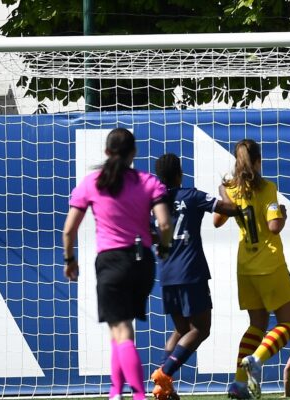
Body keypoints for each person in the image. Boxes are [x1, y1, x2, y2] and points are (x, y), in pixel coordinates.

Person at [62, 128, 173, 400]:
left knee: (120, 328)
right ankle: (115, 391)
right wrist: (165, 246)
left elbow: (69, 230)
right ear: (133, 153)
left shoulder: (92, 182)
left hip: (111, 262)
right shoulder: (148, 182)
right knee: (122, 327)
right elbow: (165, 223)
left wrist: (69, 259)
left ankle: (137, 395)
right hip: (142, 261)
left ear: (106, 152)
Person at [149, 153, 242, 400]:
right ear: (180, 173)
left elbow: (152, 235)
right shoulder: (192, 195)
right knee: (201, 328)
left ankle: (164, 388)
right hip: (191, 272)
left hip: (167, 274)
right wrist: (224, 190)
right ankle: (164, 373)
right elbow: (231, 209)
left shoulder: (156, 203)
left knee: (180, 329)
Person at [212, 139, 290, 400]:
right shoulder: (267, 188)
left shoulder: (231, 189)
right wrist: (281, 214)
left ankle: (239, 383)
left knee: (257, 325)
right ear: (259, 161)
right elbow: (274, 226)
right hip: (269, 264)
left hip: (245, 267)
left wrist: (224, 193)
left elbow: (217, 221)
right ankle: (258, 359)